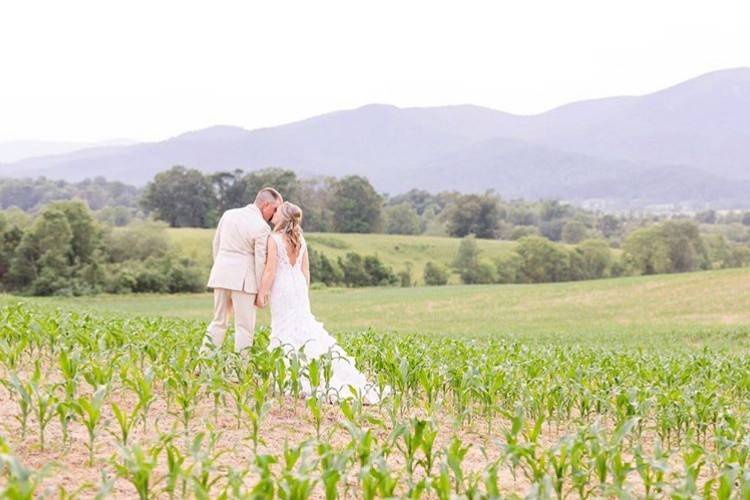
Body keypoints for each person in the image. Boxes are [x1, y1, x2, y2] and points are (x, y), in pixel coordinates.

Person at [256, 201, 384, 403]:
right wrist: (302, 293)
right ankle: (314, 370)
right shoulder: (301, 239)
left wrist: (261, 293)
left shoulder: (274, 239)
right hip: (298, 286)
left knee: (284, 328)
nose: (275, 215)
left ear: (283, 218)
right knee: (303, 325)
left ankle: (292, 377)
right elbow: (306, 272)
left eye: (278, 212)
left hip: (282, 287)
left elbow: (271, 270)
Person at [202, 187, 282, 352]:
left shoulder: (228, 214)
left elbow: (216, 244)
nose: (274, 215)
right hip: (244, 281)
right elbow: (260, 262)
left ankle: (203, 363)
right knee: (244, 327)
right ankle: (238, 371)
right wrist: (262, 291)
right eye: (274, 209)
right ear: (265, 204)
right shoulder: (262, 227)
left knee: (218, 321)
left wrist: (221, 267)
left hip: (221, 274)